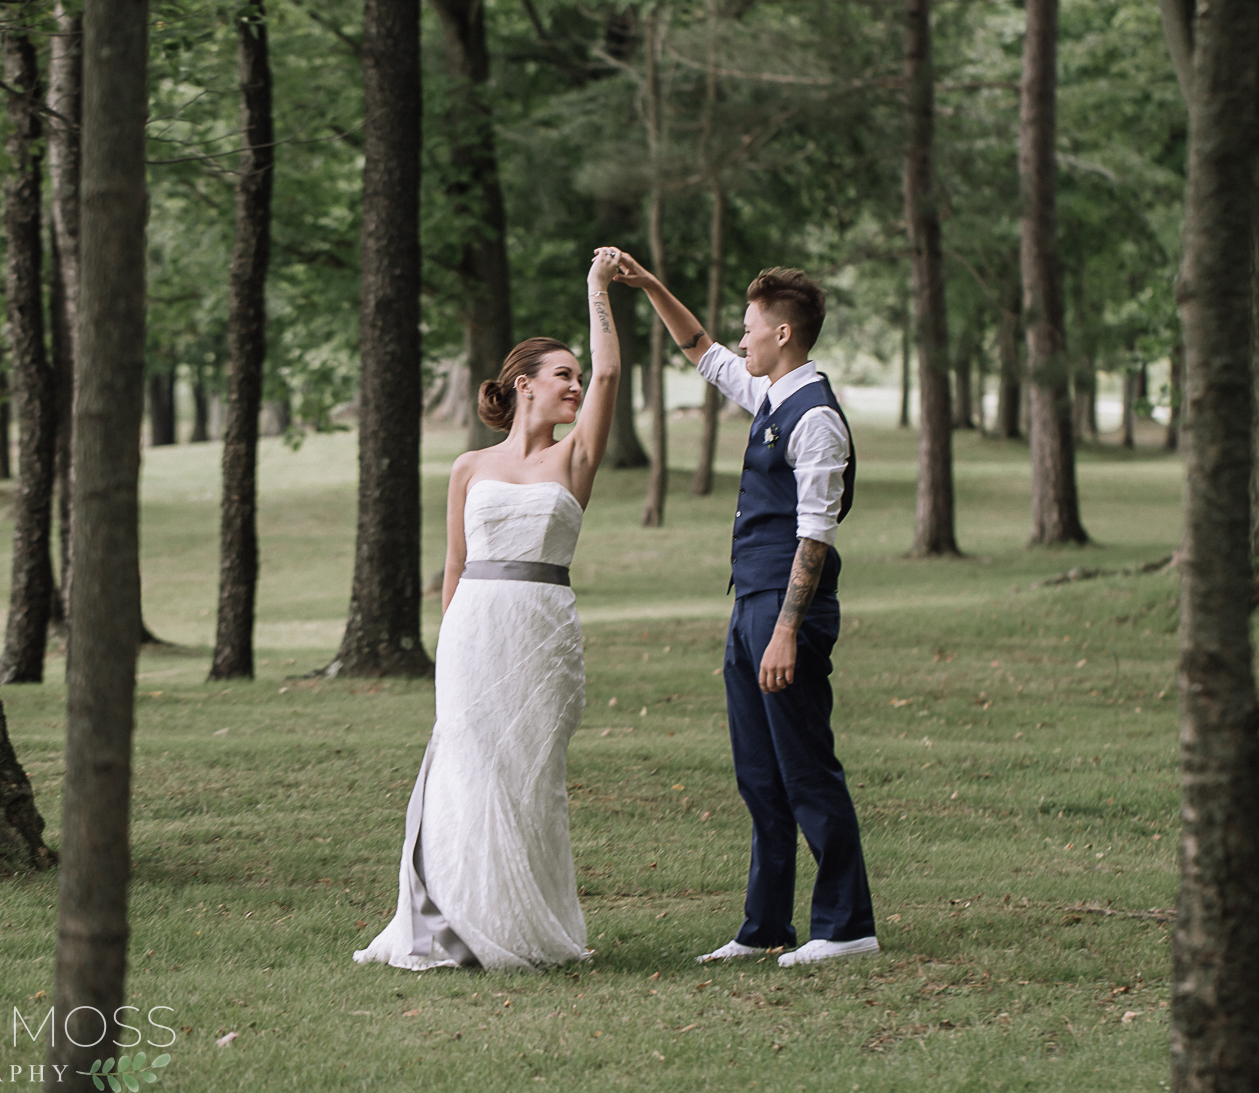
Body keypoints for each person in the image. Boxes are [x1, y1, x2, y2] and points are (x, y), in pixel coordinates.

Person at [354, 248, 624, 971]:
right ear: (523, 386)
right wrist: (449, 654)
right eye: (560, 375)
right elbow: (455, 568)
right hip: (474, 632)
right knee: (467, 770)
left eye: (575, 374)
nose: (574, 385)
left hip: (542, 632)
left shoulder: (575, 459)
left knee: (529, 777)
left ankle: (524, 924)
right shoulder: (468, 468)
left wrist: (596, 285)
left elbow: (612, 373)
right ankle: (452, 926)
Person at [612, 256, 879, 968]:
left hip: (785, 609)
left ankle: (847, 923)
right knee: (760, 775)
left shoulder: (814, 415)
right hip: (749, 602)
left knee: (805, 767)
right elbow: (699, 348)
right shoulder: (770, 394)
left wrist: (786, 628)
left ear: (783, 333)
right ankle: (765, 926)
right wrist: (648, 286)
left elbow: (816, 532)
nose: (742, 336)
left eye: (752, 326)